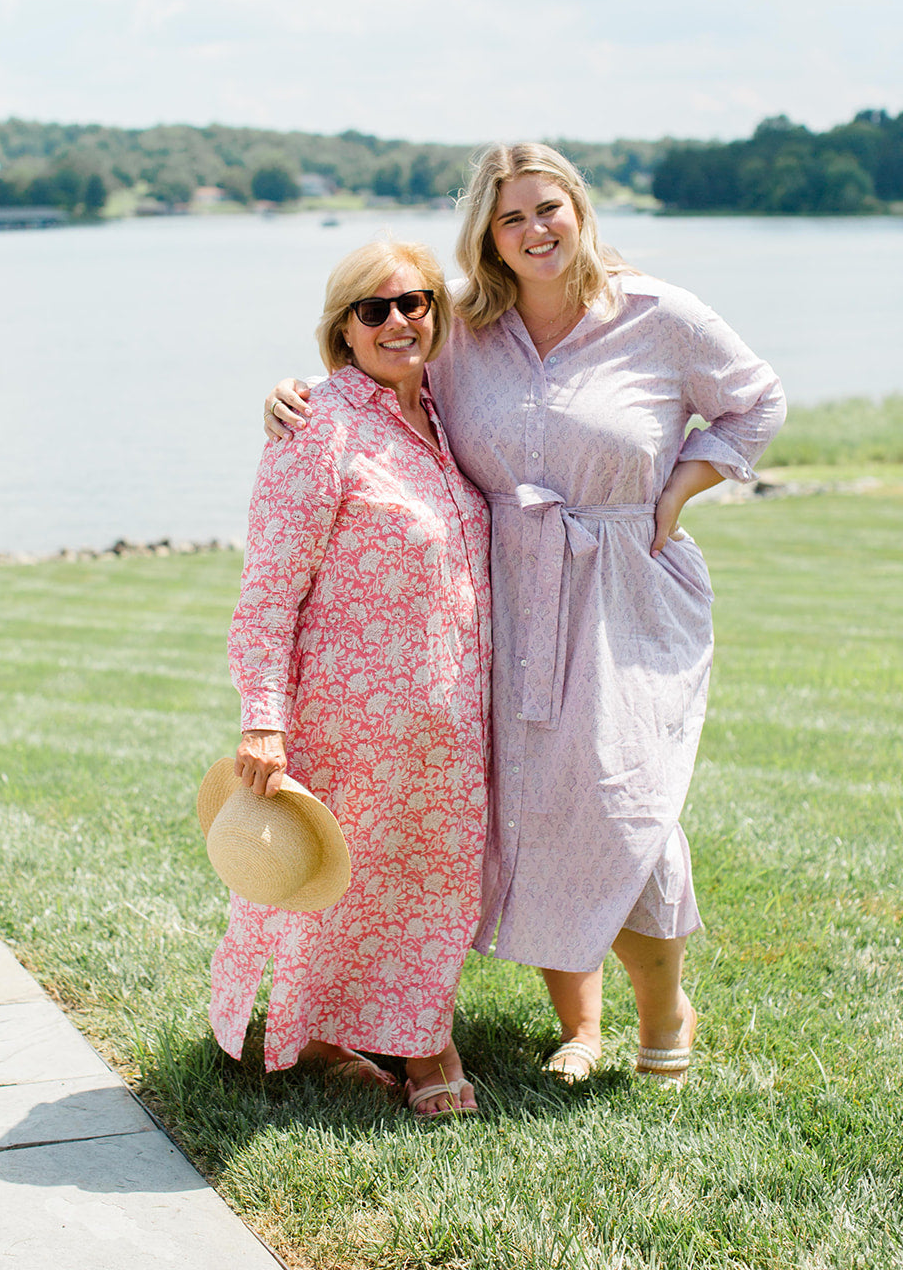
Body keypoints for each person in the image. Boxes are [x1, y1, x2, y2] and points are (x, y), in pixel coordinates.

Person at [265, 144, 785, 1085]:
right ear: (487, 237)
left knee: (625, 802)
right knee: (538, 804)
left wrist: (678, 491)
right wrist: (293, 394)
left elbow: (757, 403)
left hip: (627, 586)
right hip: (504, 599)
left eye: (548, 208)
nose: (534, 229)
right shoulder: (465, 327)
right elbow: (388, 370)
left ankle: (666, 1011)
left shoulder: (660, 316)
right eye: (511, 217)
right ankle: (577, 1027)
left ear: (578, 210)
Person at [212, 238, 491, 1117]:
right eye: (374, 310)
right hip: (347, 716)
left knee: (427, 882)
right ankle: (422, 1046)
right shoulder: (318, 427)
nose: (398, 321)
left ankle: (342, 1032)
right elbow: (266, 595)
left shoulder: (447, 413)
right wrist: (263, 718)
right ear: (343, 328)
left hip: (450, 716)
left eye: (413, 302)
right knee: (354, 881)